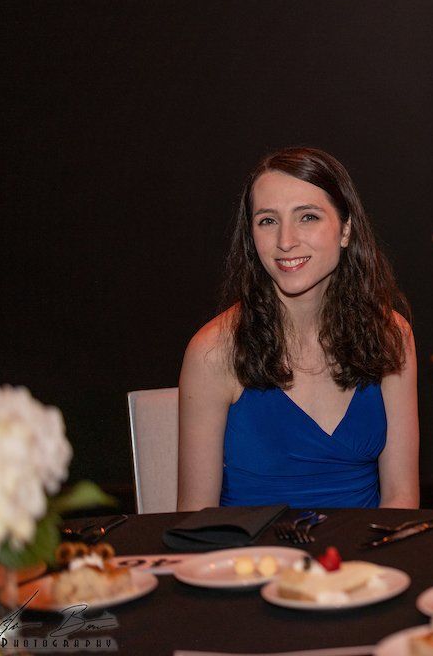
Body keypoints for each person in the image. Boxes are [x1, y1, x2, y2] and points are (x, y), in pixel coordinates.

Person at [177, 147, 419, 511]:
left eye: (307, 217)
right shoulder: (214, 350)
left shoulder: (391, 335)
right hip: (253, 563)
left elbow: (401, 498)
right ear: (251, 236)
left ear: (345, 229)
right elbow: (195, 517)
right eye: (267, 221)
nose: (285, 241)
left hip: (362, 561)